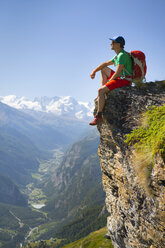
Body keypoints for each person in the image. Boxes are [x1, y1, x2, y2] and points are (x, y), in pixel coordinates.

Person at [89, 36, 133, 126]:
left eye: (113, 42)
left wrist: (108, 84)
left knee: (100, 91)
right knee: (104, 69)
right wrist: (94, 71)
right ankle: (103, 90)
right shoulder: (118, 55)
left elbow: (117, 73)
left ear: (118, 44)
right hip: (121, 77)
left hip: (124, 79)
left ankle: (99, 117)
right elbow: (105, 64)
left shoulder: (122, 56)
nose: (111, 44)